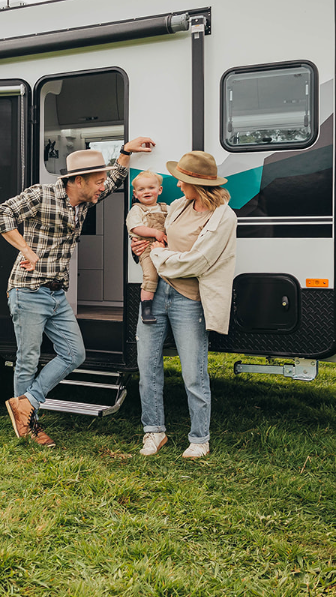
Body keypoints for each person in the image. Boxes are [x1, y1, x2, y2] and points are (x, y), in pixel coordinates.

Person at [0, 137, 156, 448]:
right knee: (27, 359)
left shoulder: (86, 198)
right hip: (28, 290)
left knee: (74, 353)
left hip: (56, 293)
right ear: (77, 180)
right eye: (95, 181)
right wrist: (25, 249)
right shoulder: (41, 195)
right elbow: (0, 215)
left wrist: (125, 152)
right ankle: (29, 425)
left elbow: (113, 180)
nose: (101, 187)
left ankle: (25, 403)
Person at [130, 151, 237, 459]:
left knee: (193, 373)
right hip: (157, 291)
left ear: (196, 183)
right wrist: (143, 245)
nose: (177, 184)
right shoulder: (178, 206)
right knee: (147, 367)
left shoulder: (223, 216)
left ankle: (199, 438)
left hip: (188, 299)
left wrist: (159, 255)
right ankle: (154, 432)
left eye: (181, 179)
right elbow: (157, 238)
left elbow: (197, 261)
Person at [126, 171, 169, 324]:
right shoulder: (137, 210)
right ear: (135, 193)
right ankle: (146, 309)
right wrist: (156, 232)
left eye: (151, 187)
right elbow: (136, 228)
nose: (146, 192)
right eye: (141, 189)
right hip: (146, 247)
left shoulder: (166, 209)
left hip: (165, 246)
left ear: (160, 190)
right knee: (150, 276)